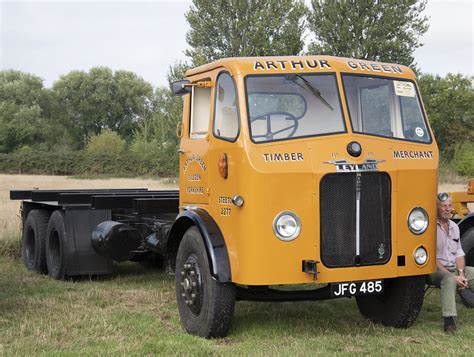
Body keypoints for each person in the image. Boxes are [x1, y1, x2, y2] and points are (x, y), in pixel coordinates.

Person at [427, 192, 474, 333]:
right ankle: (450, 322)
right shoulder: (429, 228)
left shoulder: (455, 227)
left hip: (454, 268)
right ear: (436, 207)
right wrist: (454, 277)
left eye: (449, 205)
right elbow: (431, 259)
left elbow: (459, 253)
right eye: (443, 206)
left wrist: (461, 274)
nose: (447, 209)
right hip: (435, 270)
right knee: (449, 280)